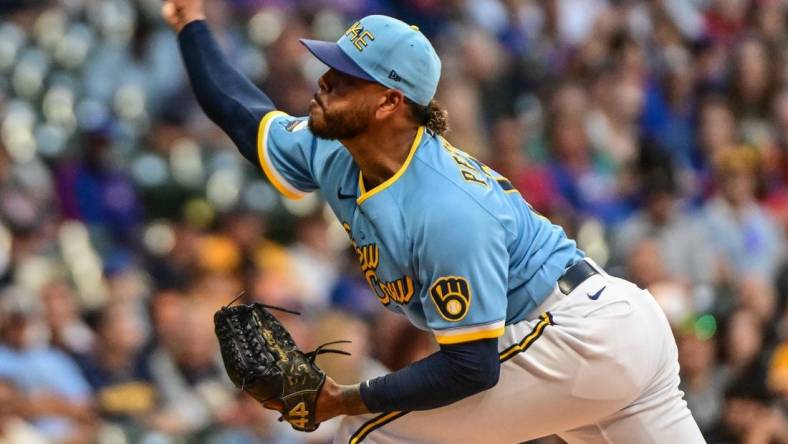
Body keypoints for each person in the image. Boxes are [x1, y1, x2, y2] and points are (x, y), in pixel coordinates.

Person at [162, 1, 704, 442]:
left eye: (346, 77)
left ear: (388, 101)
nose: (323, 81)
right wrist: (193, 24)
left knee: (367, 432)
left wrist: (343, 398)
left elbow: (471, 368)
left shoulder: (445, 209)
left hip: (577, 336)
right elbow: (243, 116)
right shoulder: (335, 149)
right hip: (601, 329)